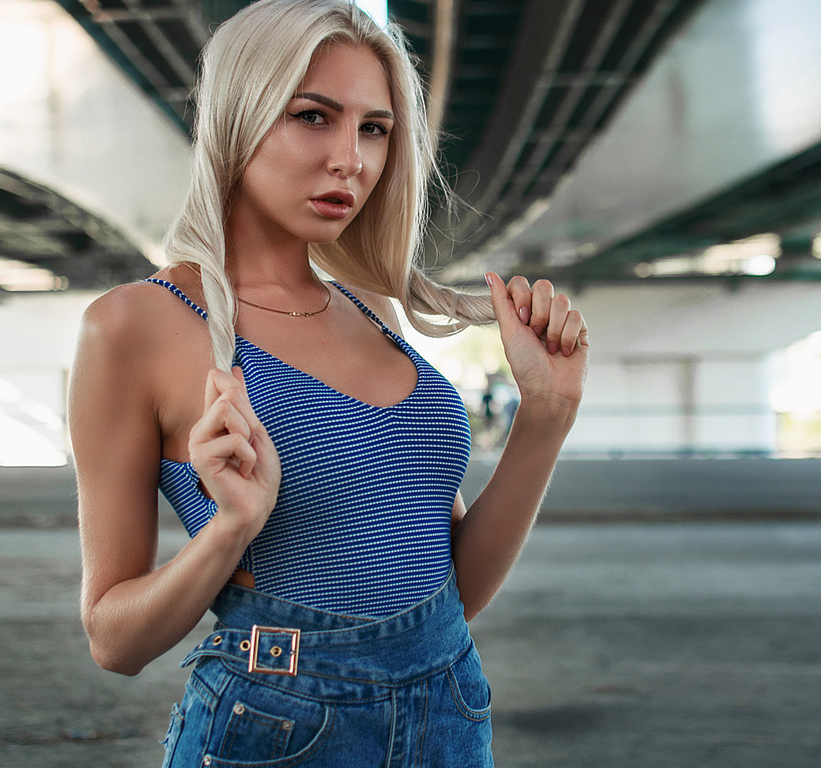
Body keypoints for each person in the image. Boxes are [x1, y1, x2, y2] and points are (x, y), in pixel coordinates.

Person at [67, 0, 587, 764]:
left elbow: (457, 591)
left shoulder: (372, 308)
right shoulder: (135, 326)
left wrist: (547, 414)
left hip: (449, 706)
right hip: (278, 723)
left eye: (374, 128)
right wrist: (230, 530)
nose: (353, 158)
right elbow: (114, 639)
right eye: (314, 117)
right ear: (239, 119)